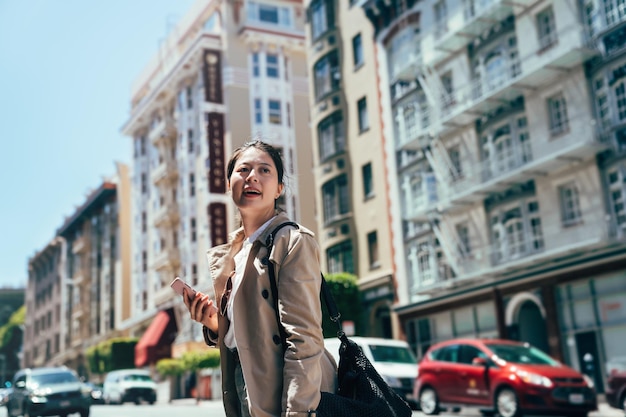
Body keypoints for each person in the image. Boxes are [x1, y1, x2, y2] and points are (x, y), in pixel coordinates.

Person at [182, 140, 337, 417]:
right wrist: (215, 325)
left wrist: (298, 412)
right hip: (246, 390)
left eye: (264, 170)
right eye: (243, 169)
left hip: (286, 397)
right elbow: (252, 334)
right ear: (229, 184)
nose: (252, 176)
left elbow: (304, 339)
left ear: (279, 188)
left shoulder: (292, 241)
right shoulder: (234, 253)